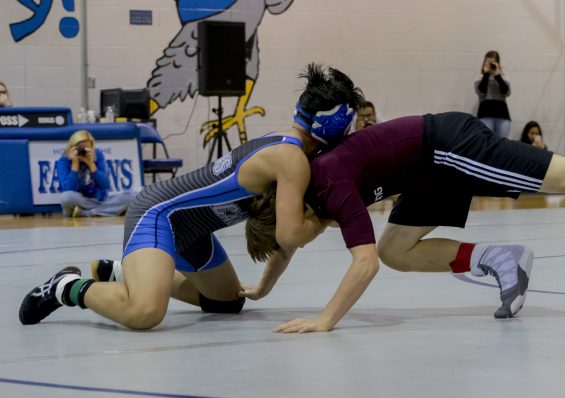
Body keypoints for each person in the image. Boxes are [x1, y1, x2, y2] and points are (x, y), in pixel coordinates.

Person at [253, 103, 565, 333]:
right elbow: (288, 241)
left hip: (445, 145)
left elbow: (361, 266)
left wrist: (324, 320)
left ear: (298, 213)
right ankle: (501, 259)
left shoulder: (329, 187)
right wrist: (260, 291)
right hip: (428, 170)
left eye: (302, 232)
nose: (305, 238)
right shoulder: (305, 193)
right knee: (395, 248)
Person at [19, 63, 364, 330]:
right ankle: (65, 286)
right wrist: (327, 218)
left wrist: (263, 286)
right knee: (146, 313)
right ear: (337, 124)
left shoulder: (289, 151)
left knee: (227, 302)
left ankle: (121, 275)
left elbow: (285, 236)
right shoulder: (291, 159)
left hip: (192, 230)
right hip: (158, 214)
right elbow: (288, 235)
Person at [56, 130, 136, 217]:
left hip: (99, 200)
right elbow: (67, 188)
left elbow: (105, 185)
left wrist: (91, 164)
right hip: (79, 201)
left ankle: (88, 213)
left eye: (85, 148)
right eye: (79, 148)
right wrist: (75, 164)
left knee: (134, 196)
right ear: (72, 147)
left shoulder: (97, 155)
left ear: (92, 147)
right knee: (66, 197)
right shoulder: (64, 160)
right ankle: (108, 211)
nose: (82, 151)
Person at [475, 51, 511, 138]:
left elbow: (506, 93)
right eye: (488, 62)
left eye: (493, 63)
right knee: (486, 142)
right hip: (485, 114)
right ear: (484, 62)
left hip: (502, 115)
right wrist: (486, 74)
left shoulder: (504, 76)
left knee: (502, 144)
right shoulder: (479, 77)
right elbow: (481, 92)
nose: (490, 65)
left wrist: (497, 76)